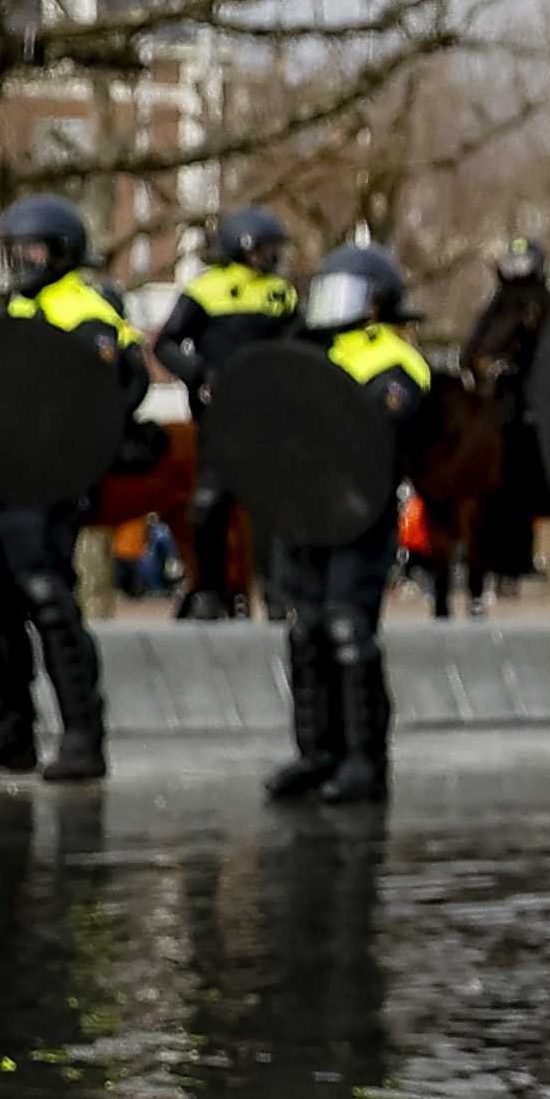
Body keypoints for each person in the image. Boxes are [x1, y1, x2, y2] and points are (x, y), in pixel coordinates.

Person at [0, 194, 139, 782]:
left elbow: (110, 394)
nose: (19, 261)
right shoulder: (17, 311)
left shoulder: (85, 312)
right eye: (13, 250)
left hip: (45, 482)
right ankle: (9, 728)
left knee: (47, 599)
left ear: (61, 252)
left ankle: (82, 734)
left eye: (30, 249)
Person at [265, 243, 428, 805]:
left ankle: (365, 760)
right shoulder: (304, 352)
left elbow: (385, 425)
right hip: (304, 511)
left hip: (360, 512)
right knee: (305, 628)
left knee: (347, 631)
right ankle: (316, 753)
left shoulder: (394, 359)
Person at [157, 207, 299, 622]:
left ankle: (277, 595)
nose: (273, 257)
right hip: (219, 419)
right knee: (208, 504)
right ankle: (209, 591)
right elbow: (166, 343)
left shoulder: (281, 294)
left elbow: (299, 345)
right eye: (266, 249)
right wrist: (198, 374)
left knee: (272, 507)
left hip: (270, 417)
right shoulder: (205, 291)